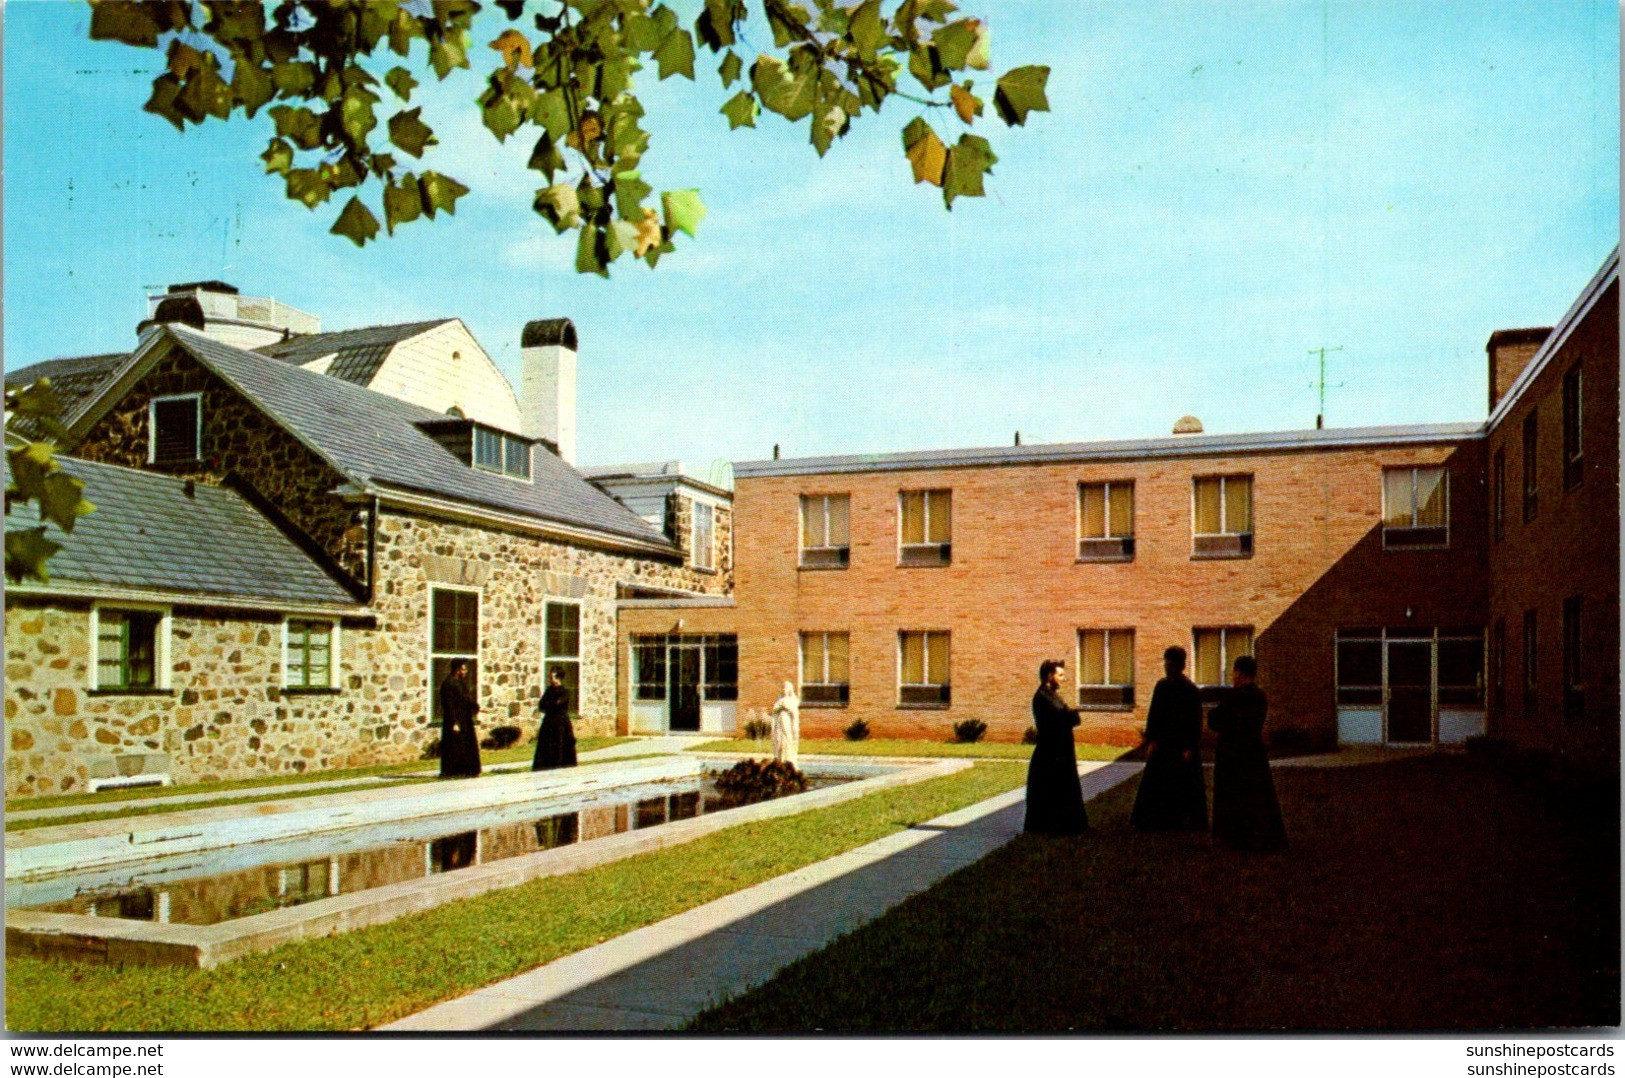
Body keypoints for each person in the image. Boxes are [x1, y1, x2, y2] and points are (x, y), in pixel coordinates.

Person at [1208, 654, 1287, 851]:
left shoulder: (1233, 698)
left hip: (1232, 753)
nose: (1233, 677)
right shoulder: (1260, 697)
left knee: (1233, 795)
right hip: (1253, 752)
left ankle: (1235, 835)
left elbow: (1215, 720)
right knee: (1256, 794)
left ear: (1240, 673)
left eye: (1234, 672)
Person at [1130, 646, 1208, 831]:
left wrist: (1190, 746)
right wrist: (1152, 740)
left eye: (1170, 663)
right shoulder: (1162, 686)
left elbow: (1196, 720)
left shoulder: (1190, 690)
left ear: (1180, 665)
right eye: (1166, 662)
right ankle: (1155, 820)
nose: (1167, 666)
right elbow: (1154, 715)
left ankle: (1182, 820)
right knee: (1158, 782)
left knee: (1182, 784)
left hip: (1181, 744)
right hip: (1164, 743)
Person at [1024, 659, 1090, 834]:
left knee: (1066, 789)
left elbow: (1070, 716)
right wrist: (1071, 715)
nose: (1063, 678)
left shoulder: (1052, 695)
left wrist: (1071, 715)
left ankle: (1070, 826)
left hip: (1060, 751)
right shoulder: (1043, 697)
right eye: (1060, 675)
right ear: (1049, 676)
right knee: (1053, 791)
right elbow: (1067, 717)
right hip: (1051, 754)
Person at [437, 659, 482, 778]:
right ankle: (452, 771)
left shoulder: (460, 683)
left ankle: (469, 770)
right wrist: (454, 722)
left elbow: (466, 698)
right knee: (454, 747)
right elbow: (449, 705)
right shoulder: (448, 684)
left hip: (465, 719)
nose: (465, 671)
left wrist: (475, 707)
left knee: (467, 745)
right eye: (463, 669)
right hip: (455, 720)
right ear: (457, 670)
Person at [532, 668, 578, 770]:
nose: (549, 678)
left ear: (558, 678)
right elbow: (542, 705)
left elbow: (557, 704)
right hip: (549, 722)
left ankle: (559, 765)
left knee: (560, 744)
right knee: (546, 745)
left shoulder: (564, 692)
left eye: (551, 676)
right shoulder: (549, 690)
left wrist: (550, 705)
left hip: (560, 723)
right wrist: (550, 705)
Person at [769, 681, 801, 767]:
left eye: (786, 688)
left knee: (787, 740)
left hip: (787, 724)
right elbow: (774, 711)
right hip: (779, 723)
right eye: (783, 688)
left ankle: (788, 760)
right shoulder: (779, 700)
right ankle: (779, 759)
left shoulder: (793, 700)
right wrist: (778, 708)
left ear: (790, 689)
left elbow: (794, 713)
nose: (784, 690)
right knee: (779, 740)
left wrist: (786, 707)